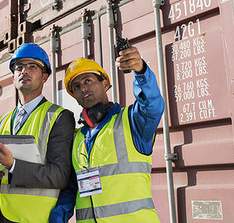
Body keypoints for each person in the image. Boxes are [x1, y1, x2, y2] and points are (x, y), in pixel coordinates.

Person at [50, 47, 164, 222]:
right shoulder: (77, 139)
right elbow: (71, 188)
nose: (83, 88)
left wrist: (141, 72)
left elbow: (152, 105)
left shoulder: (131, 122)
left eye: (88, 80)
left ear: (105, 84)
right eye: (77, 87)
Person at [0, 43, 76, 223]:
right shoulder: (3, 119)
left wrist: (13, 165)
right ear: (13, 77)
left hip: (30, 218)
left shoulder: (59, 117)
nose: (24, 71)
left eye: (32, 67)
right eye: (19, 67)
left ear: (45, 77)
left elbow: (59, 176)